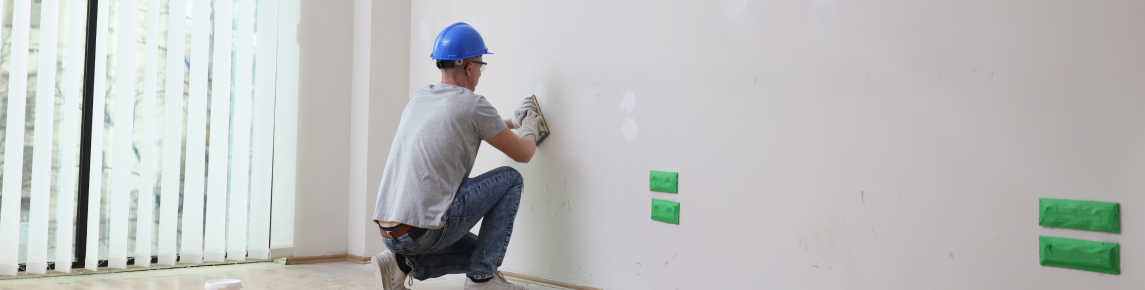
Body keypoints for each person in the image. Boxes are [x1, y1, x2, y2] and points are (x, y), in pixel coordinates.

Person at [369, 22, 544, 290]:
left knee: (480, 253)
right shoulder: (472, 104)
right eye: (481, 66)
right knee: (511, 179)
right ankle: (482, 281)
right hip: (422, 233)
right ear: (469, 67)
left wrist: (513, 121)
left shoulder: (421, 98)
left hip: (390, 233)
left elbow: (474, 124)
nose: (480, 73)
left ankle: (400, 263)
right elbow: (524, 153)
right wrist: (531, 128)